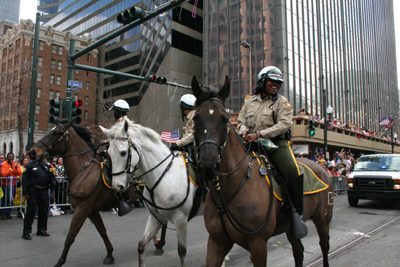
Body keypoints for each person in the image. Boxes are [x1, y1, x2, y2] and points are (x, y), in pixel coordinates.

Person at [237, 66, 307, 238]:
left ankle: (296, 211)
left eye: (278, 83)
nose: (275, 85)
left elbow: (283, 125)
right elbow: (241, 121)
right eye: (271, 82)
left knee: (292, 170)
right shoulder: (249, 101)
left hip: (275, 144)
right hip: (251, 143)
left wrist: (259, 134)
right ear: (262, 82)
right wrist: (244, 131)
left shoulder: (282, 102)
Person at [99, 99, 135, 214]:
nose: (113, 113)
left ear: (119, 112)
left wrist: (106, 141)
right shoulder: (119, 123)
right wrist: (105, 142)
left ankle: (126, 200)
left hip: (124, 153)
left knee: (117, 171)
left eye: (115, 111)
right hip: (116, 150)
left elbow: (121, 140)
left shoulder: (125, 123)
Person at [22, 156, 55, 240]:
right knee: (31, 212)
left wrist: (53, 190)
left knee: (43, 211)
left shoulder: (46, 166)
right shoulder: (30, 165)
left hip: (44, 191)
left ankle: (41, 229)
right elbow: (25, 179)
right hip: (33, 191)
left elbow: (52, 178)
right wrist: (25, 192)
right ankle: (26, 232)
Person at [0, 153, 23, 220]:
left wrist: (15, 168)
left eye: (12, 157)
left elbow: (19, 173)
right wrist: (11, 169)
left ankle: (8, 212)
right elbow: (3, 174)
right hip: (5, 184)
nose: (10, 158)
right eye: (9, 156)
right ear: (7, 157)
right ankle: (3, 213)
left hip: (13, 183)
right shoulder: (3, 164)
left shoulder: (16, 164)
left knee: (11, 198)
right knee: (5, 198)